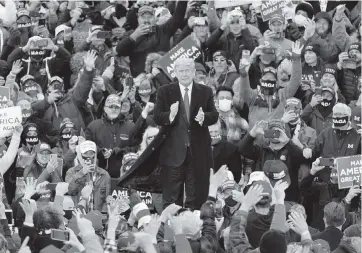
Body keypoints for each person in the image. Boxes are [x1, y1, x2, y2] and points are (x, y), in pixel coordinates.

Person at [153, 57, 218, 210]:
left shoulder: (205, 91)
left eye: (187, 70)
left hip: (197, 151)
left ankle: (193, 227)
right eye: (181, 70)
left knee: (195, 196)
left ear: (194, 72)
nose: (184, 74)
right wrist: (170, 115)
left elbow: (214, 115)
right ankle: (170, 227)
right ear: (175, 72)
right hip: (173, 152)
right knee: (172, 197)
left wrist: (204, 118)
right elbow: (157, 116)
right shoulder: (164, 91)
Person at [65, 140, 111, 212]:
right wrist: (82, 173)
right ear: (80, 155)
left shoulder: (104, 174)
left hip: (97, 216)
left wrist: (102, 216)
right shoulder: (71, 171)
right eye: (86, 154)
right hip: (77, 214)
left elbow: (108, 198)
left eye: (91, 153)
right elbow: (69, 190)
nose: (89, 157)